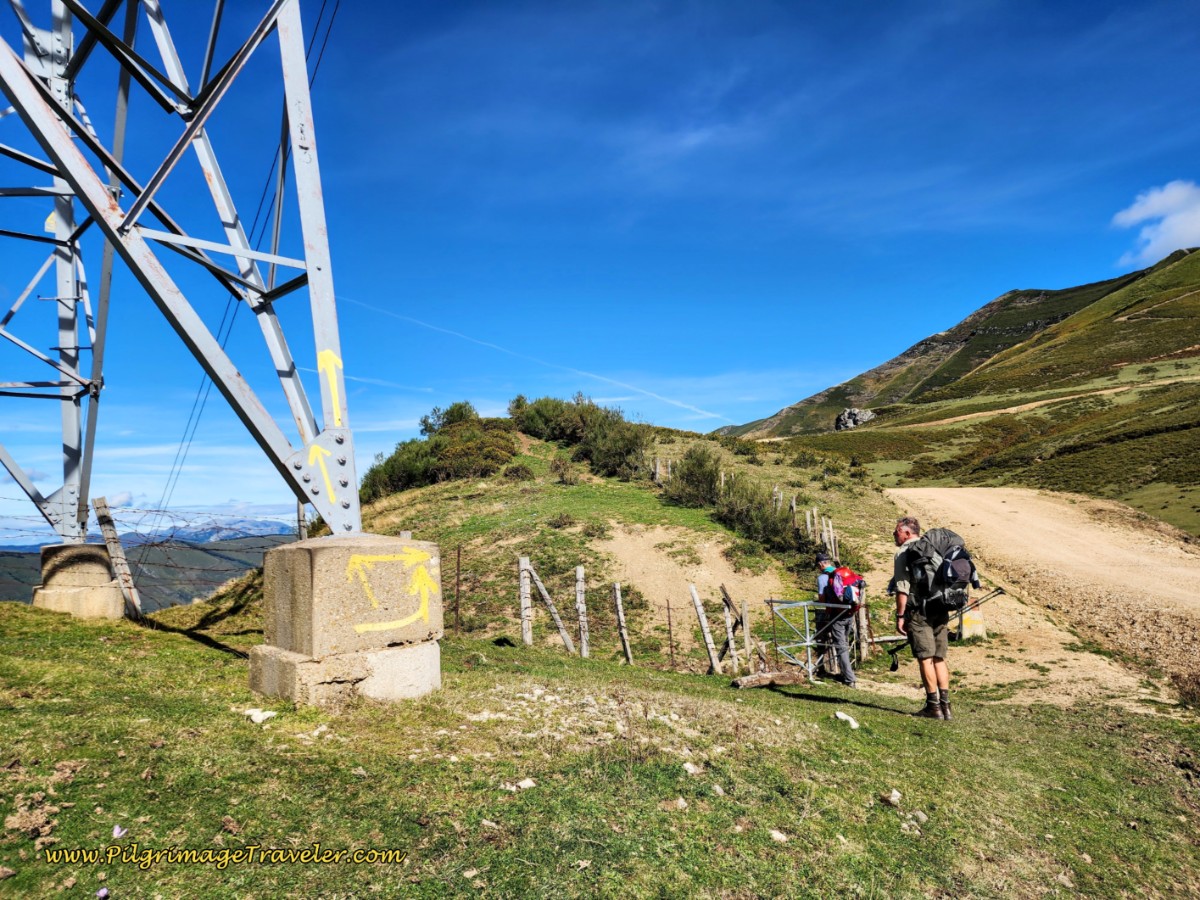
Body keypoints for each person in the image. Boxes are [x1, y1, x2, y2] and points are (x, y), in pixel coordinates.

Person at [892, 516, 951, 719]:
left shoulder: (903, 552)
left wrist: (900, 616)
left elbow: (902, 588)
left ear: (907, 533)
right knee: (939, 657)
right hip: (941, 607)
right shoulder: (934, 547)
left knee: (925, 658)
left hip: (919, 611)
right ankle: (946, 706)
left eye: (896, 532)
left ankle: (933, 706)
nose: (894, 535)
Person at [814, 552, 856, 687]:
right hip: (849, 613)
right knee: (844, 643)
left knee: (841, 646)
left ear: (821, 564)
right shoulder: (843, 572)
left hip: (836, 615)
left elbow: (822, 600)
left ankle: (850, 679)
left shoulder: (822, 578)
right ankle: (845, 673)